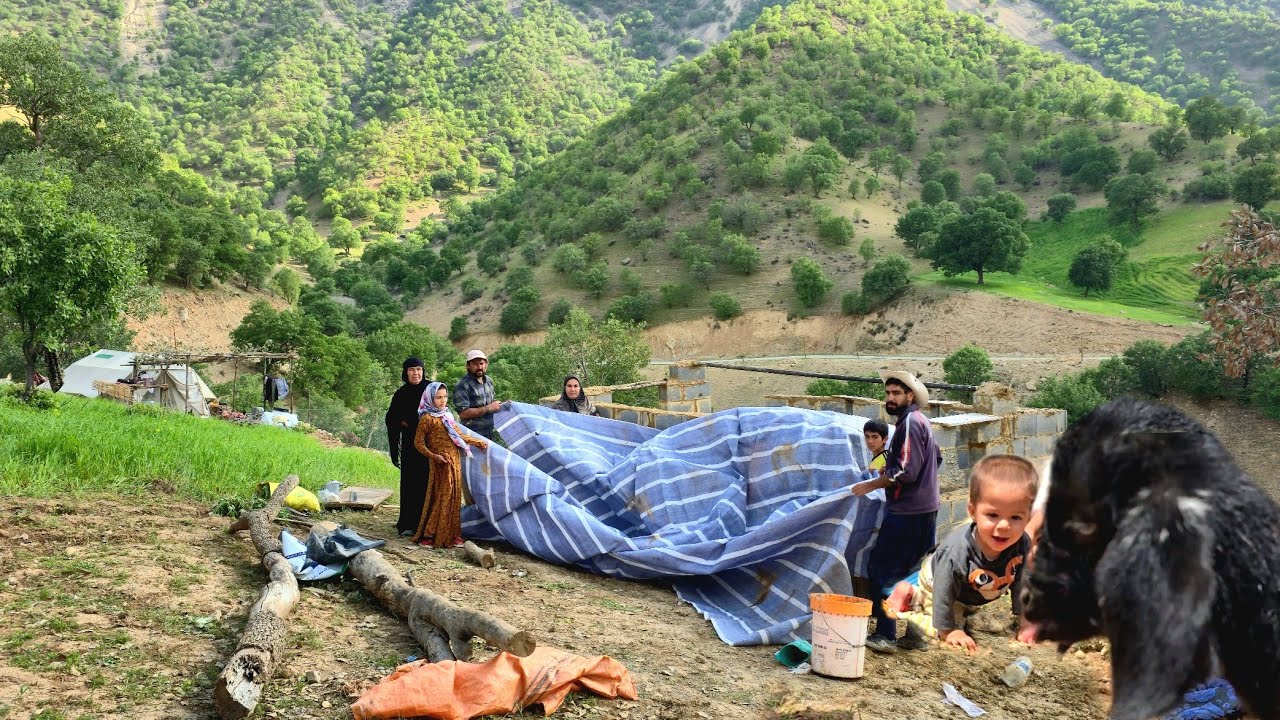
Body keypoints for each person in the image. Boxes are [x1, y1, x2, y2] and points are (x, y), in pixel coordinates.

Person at [883, 455, 1039, 653]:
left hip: (973, 590)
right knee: (944, 630)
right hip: (938, 579)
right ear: (973, 512)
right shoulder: (957, 551)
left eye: (1015, 517)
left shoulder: (1021, 543)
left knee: (963, 615)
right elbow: (944, 591)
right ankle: (912, 596)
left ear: (1028, 517)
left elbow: (1023, 581)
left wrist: (1026, 621)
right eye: (992, 515)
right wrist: (949, 630)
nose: (1004, 526)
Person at [849, 369, 942, 653]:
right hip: (926, 509)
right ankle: (917, 635)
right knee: (915, 571)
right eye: (888, 393)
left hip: (907, 512)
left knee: (883, 568)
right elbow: (936, 457)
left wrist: (872, 484)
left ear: (910, 396)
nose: (890, 398)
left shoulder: (909, 423)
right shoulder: (920, 421)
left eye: (897, 393)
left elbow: (905, 472)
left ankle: (885, 635)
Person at [413, 381, 488, 548]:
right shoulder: (427, 418)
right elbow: (418, 443)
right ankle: (430, 535)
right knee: (442, 497)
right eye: (438, 397)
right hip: (440, 463)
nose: (443, 400)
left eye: (445, 397)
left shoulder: (447, 415)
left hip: (454, 461)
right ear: (430, 398)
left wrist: (477, 442)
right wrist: (434, 456)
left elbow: (459, 435)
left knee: (454, 498)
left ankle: (452, 535)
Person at [386, 357, 430, 537]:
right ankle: (409, 524)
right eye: (411, 370)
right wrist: (403, 422)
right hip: (410, 447)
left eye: (419, 369)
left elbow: (442, 411)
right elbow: (391, 418)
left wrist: (411, 422)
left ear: (423, 371)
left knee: (428, 483)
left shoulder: (431, 389)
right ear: (405, 372)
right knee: (410, 483)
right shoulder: (401, 394)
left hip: (430, 445)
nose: (416, 373)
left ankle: (428, 524)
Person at [454, 349, 501, 441]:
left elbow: (491, 403)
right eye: (475, 364)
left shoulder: (489, 381)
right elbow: (463, 414)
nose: (479, 367)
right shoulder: (462, 385)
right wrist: (488, 408)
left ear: (486, 364)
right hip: (473, 435)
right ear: (468, 366)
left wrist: (502, 405)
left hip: (490, 432)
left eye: (481, 363)